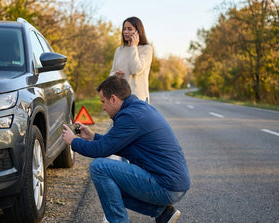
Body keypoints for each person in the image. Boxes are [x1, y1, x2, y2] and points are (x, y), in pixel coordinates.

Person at [62, 76, 190, 223]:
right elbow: (114, 144)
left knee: (99, 167)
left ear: (113, 99)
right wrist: (92, 136)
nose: (103, 107)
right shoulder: (136, 109)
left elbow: (101, 150)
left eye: (103, 102)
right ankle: (162, 213)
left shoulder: (130, 117)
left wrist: (74, 141)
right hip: (172, 183)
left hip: (166, 185)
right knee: (109, 190)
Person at [109, 16, 153, 103]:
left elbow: (135, 70)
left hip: (138, 99)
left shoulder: (146, 49)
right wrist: (115, 75)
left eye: (130, 29)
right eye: (124, 29)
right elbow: (111, 74)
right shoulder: (119, 50)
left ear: (138, 32)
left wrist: (133, 47)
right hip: (120, 99)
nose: (126, 32)